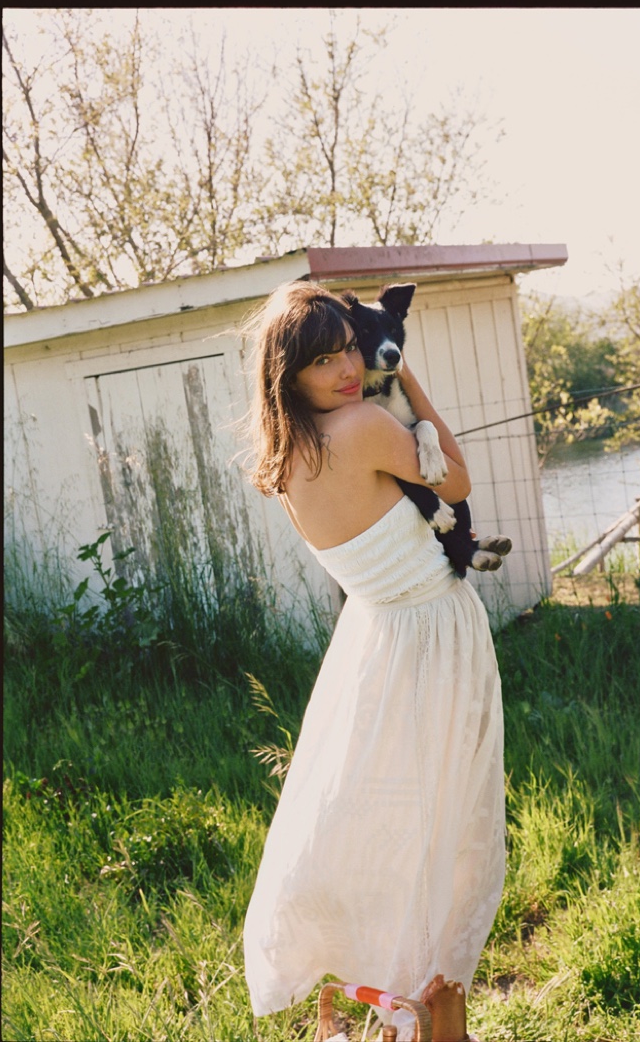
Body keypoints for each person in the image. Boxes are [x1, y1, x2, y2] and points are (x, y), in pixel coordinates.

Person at [241, 281, 506, 1040]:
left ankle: (424, 1009)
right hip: (429, 634)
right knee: (447, 825)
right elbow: (455, 478)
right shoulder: (359, 425)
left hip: (376, 639)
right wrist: (404, 377)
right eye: (323, 360)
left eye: (350, 348)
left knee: (406, 821)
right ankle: (428, 1011)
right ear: (288, 375)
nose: (348, 369)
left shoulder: (287, 455)